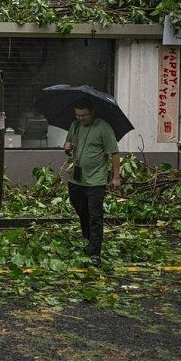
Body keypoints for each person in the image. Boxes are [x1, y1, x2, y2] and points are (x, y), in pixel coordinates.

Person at [64, 98, 121, 267]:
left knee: (95, 216)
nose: (81, 118)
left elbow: (114, 153)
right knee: (82, 211)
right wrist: (67, 147)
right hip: (77, 178)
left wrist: (116, 177)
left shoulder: (103, 128)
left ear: (92, 113)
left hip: (96, 180)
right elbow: (68, 142)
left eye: (84, 115)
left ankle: (95, 252)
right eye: (78, 115)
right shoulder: (75, 125)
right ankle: (88, 240)